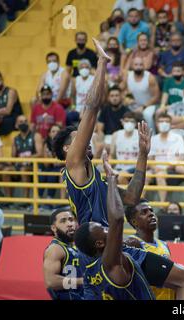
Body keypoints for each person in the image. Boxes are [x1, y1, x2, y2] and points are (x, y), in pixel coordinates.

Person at [75, 151, 184, 300]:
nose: (108, 228)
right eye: (104, 229)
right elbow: (117, 219)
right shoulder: (113, 261)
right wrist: (112, 179)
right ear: (100, 243)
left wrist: (143, 154)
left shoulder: (90, 276)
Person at [53, 39, 148, 227]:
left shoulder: (96, 178)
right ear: (67, 148)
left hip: (107, 241)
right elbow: (92, 108)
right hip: (92, 243)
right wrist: (102, 63)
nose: (87, 141)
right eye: (78, 138)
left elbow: (131, 198)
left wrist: (143, 154)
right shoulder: (73, 162)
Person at [124, 199, 184, 299]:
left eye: (151, 210)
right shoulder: (132, 243)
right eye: (144, 212)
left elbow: (168, 277)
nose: (150, 214)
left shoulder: (163, 244)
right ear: (134, 222)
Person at [43, 207, 84, 300]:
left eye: (71, 220)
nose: (69, 224)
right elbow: (51, 282)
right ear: (54, 228)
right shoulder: (55, 249)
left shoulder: (78, 245)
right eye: (63, 221)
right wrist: (82, 281)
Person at [148, 113, 184, 202]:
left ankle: (163, 206)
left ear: (171, 124)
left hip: (172, 170)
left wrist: (166, 168)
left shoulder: (178, 138)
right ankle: (138, 206)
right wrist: (155, 168)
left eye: (166, 121)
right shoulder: (153, 139)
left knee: (160, 175)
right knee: (144, 177)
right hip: (156, 169)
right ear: (156, 124)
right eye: (161, 121)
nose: (164, 123)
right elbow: (150, 160)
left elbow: (180, 158)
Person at [121, 57, 160, 132]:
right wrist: (125, 99)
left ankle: (152, 135)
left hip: (149, 105)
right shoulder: (128, 76)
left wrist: (143, 107)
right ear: (132, 66)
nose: (138, 67)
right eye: (136, 64)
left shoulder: (150, 77)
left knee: (147, 114)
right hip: (133, 105)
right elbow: (121, 91)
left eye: (140, 64)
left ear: (144, 66)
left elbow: (156, 96)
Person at [110, 112, 140, 185]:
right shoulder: (116, 135)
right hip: (119, 167)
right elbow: (112, 154)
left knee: (121, 176)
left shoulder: (140, 135)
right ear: (122, 122)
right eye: (126, 121)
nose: (129, 123)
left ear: (136, 123)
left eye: (132, 121)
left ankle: (129, 196)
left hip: (135, 168)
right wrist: (109, 167)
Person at [0, 70, 23, 136]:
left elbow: (8, 111)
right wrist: (0, 111)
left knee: (0, 122)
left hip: (13, 118)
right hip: (1, 118)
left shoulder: (11, 92)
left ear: (2, 79)